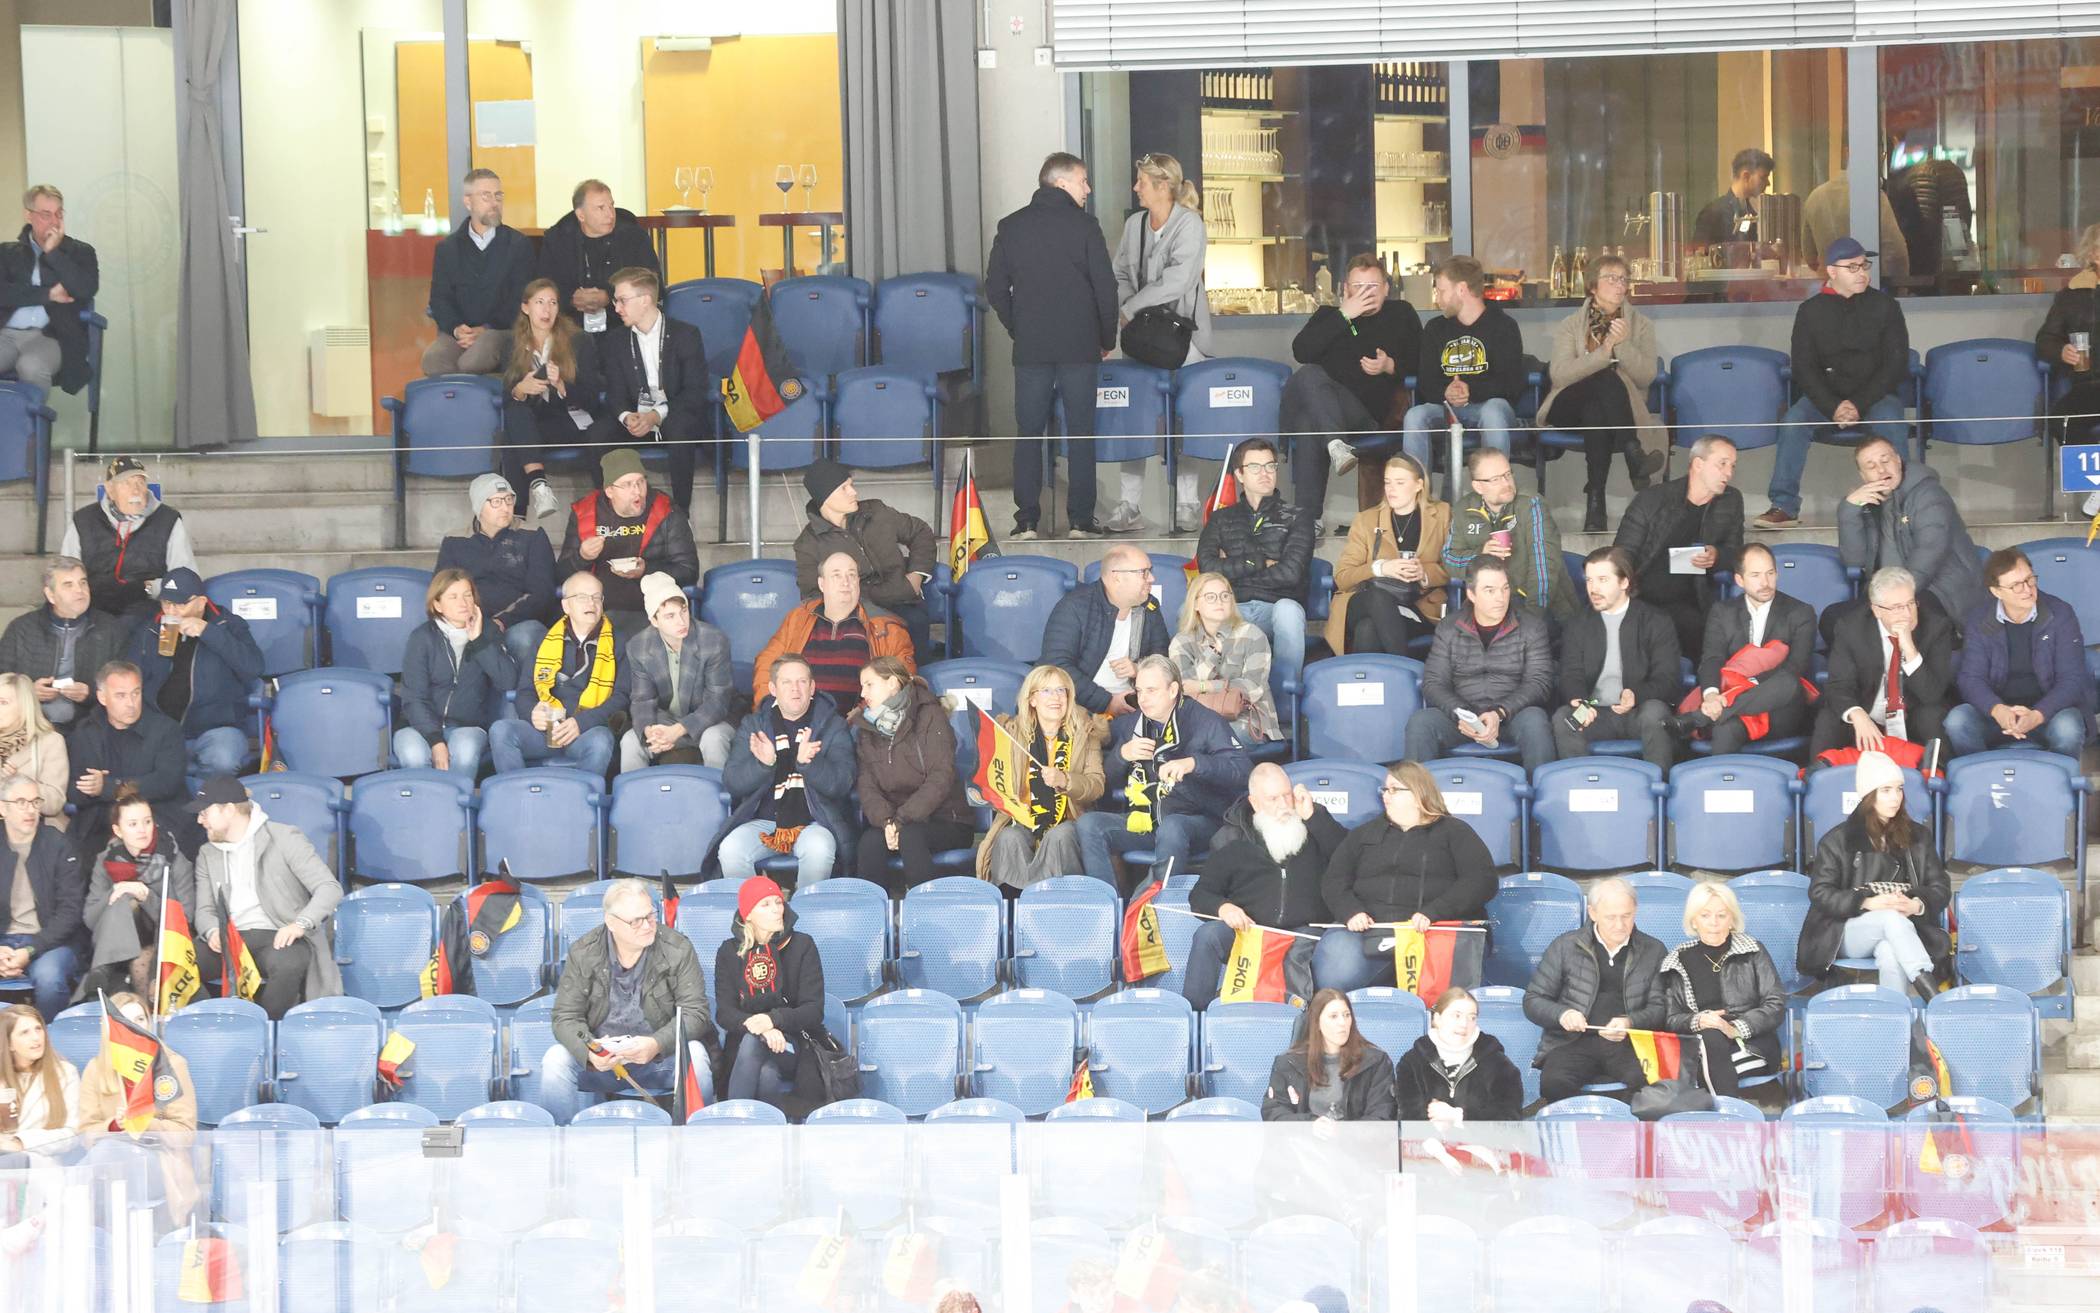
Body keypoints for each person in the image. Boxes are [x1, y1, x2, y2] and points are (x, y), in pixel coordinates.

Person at [985, 152, 1119, 540]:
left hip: (1032, 348)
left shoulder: (1011, 226)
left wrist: (1019, 327)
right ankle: (1080, 520)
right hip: (1080, 346)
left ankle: (1027, 520)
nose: (1088, 189)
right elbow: (1105, 289)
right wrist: (1105, 338)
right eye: (1082, 180)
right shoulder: (1086, 226)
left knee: (1029, 432)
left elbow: (995, 288)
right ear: (1061, 183)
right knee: (1080, 432)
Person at [1757, 238, 1911, 528]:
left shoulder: (1886, 306)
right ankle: (1784, 505)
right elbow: (1803, 368)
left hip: (1875, 396)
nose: (1862, 273)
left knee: (1892, 421)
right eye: (1852, 267)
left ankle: (1901, 504)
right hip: (1825, 399)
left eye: (1864, 265)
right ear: (1831, 271)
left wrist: (1858, 404)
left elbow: (1895, 363)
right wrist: (1833, 406)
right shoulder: (1810, 311)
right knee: (1793, 423)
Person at [1314, 760, 1496, 994]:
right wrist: (1350, 911)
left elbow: (1481, 880)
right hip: (1370, 931)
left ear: (1418, 794)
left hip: (1433, 931)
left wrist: (1435, 912)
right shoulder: (1364, 834)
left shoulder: (1455, 831)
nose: (1385, 795)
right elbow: (1334, 880)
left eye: (1394, 789)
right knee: (1337, 971)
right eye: (1385, 789)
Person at [1077, 655, 1251, 895]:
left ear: (1173, 690)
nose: (1143, 699)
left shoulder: (1205, 721)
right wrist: (1121, 756)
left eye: (1151, 690)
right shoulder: (1132, 724)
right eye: (1139, 691)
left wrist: (1194, 763)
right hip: (1148, 820)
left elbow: (1243, 771)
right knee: (1089, 824)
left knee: (1172, 826)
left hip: (1199, 820)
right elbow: (1102, 784)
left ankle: (1153, 904)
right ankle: (1106, 905)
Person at [542, 876, 709, 1124]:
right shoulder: (584, 952)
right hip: (603, 1059)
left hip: (658, 1057)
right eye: (636, 921)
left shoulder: (677, 948)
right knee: (555, 1059)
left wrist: (656, 1044)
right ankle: (560, 1138)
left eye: (650, 915)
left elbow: (696, 1013)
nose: (648, 925)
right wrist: (589, 1051)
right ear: (611, 922)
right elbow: (565, 1017)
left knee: (696, 1054)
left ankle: (697, 1134)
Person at [1110, 151, 1213, 530]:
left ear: (1163, 186)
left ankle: (1187, 503)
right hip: (1141, 336)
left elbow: (1179, 280)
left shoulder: (1190, 224)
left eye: (1142, 182)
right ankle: (1129, 505)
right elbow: (1120, 272)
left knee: (1185, 417)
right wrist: (1129, 307)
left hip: (1183, 336)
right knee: (1134, 417)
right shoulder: (1134, 224)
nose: (1136, 187)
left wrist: (1131, 307)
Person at [1184, 764, 1343, 1010]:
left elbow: (1349, 859)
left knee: (1304, 955)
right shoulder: (1232, 837)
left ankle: (1295, 1019)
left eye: (1287, 795)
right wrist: (1223, 907)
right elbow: (1201, 894)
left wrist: (1314, 818)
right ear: (1255, 803)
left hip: (1306, 932)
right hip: (1249, 931)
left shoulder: (1315, 821)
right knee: (1207, 936)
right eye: (1273, 799)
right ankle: (1195, 1015)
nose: (1284, 805)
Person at [188, 775, 342, 1019]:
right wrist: (212, 931)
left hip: (278, 934)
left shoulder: (284, 837)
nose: (199, 820)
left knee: (289, 963)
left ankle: (265, 1025)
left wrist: (300, 924)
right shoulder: (207, 853)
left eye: (205, 813)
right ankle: (215, 1023)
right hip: (230, 938)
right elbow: (204, 910)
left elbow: (329, 887)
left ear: (229, 810)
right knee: (177, 963)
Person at [1801, 750, 1949, 998]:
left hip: (1904, 931)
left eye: (1899, 789)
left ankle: (1896, 1019)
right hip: (1844, 931)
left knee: (1890, 954)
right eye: (1886, 790)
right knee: (1890, 919)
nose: (1895, 798)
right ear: (1869, 795)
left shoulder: (1918, 836)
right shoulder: (1838, 839)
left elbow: (1940, 887)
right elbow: (1820, 893)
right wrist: (1867, 902)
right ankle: (1934, 997)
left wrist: (1916, 905)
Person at [1535, 253, 1668, 531]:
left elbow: (1646, 376)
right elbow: (1560, 374)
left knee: (1596, 412)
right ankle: (1634, 455)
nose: (1620, 285)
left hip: (1614, 411)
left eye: (1623, 279)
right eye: (1611, 279)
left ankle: (1595, 505)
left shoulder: (1641, 325)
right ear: (1593, 286)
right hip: (1568, 403)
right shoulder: (1571, 324)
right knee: (1603, 377)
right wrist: (1605, 352)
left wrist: (1622, 345)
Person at [1288, 254, 1422, 528]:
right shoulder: (1328, 316)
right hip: (1329, 411)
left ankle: (1307, 520)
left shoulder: (1401, 314)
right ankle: (1310, 519)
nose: (1366, 293)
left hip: (1369, 416)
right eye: (1358, 287)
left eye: (1373, 286)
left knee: (1309, 418)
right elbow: (1301, 351)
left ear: (1386, 288)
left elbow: (1424, 363)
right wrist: (1344, 315)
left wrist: (1390, 365)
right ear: (1346, 289)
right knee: (1308, 383)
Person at [1523, 878, 1669, 1105]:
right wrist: (1562, 1014)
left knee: (1654, 1084)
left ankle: (1623, 1123)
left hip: (1630, 1043)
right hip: (1571, 1042)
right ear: (1592, 913)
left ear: (1635, 910)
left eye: (1627, 916)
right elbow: (1533, 1000)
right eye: (1611, 917)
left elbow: (1660, 1008)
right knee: (1554, 1082)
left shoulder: (1654, 950)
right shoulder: (1565, 946)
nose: (1620, 925)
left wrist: (1630, 1022)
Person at [1404, 558, 1556, 773]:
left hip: (1511, 716)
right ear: (1471, 594)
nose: (1500, 598)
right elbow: (1434, 682)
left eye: (1505, 589)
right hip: (1462, 718)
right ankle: (1417, 792)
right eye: (1490, 590)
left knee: (1535, 720)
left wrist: (1499, 712)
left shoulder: (1531, 627)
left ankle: (1539, 791)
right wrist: (1462, 714)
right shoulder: (1449, 627)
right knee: (1421, 722)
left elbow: (1539, 683)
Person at [716, 657, 856, 885]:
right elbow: (733, 782)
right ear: (773, 689)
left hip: (814, 822)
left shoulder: (833, 725)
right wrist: (763, 764)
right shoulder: (754, 725)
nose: (795, 689)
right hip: (764, 822)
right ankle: (759, 907)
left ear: (812, 687)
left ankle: (804, 908)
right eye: (787, 682)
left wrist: (810, 764)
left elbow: (842, 783)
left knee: (819, 848)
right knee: (731, 849)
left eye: (802, 682)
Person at [1191, 440, 1313, 699]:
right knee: (1190, 609)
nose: (1265, 473)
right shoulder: (1221, 518)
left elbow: (1291, 574)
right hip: (1233, 607)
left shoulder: (1297, 516)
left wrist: (1232, 569)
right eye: (1255, 467)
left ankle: (1284, 700)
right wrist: (1258, 562)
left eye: (1270, 466)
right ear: (1239, 474)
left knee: (1289, 611)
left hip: (1276, 606)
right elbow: (1208, 569)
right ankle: (1205, 698)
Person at [1673, 542, 1818, 756]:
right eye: (1755, 575)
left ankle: (1702, 717)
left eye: (1770, 573)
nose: (1765, 582)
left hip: (1777, 708)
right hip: (1730, 709)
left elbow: (1796, 666)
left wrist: (1744, 688)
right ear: (1739, 580)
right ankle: (1721, 778)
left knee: (1789, 681)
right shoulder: (1722, 612)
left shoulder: (1800, 612)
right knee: (1726, 728)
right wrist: (1711, 696)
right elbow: (1712, 658)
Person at [1947, 548, 2091, 760]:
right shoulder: (1979, 619)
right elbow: (1971, 678)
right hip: (1999, 716)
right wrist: (1997, 709)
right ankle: (1982, 775)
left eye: (2030, 580)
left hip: (2049, 713)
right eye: (2016, 585)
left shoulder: (2060, 613)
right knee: (1958, 721)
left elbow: (2072, 679)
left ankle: (2061, 779)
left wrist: (2038, 714)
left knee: (2068, 728)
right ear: (1996, 592)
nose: (2027, 590)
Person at [1612, 434, 1744, 663]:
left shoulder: (1731, 500)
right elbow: (1623, 553)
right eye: (1722, 464)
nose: (1728, 473)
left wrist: (1717, 556)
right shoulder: (1652, 499)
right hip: (1642, 595)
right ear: (1698, 464)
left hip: (1692, 599)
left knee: (1708, 633)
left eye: (1732, 466)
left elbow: (1736, 553)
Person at [850, 658, 976, 893]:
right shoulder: (866, 729)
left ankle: (925, 911)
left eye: (869, 684)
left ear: (892, 683)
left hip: (947, 820)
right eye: (862, 686)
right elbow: (867, 786)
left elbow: (941, 776)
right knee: (869, 842)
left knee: (910, 836)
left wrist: (900, 820)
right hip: (895, 821)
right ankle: (874, 913)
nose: (863, 693)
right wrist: (887, 822)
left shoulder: (929, 714)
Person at [976, 664, 1106, 891]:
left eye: (1061, 690)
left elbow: (1096, 786)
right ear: (1032, 699)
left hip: (1070, 819)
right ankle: (1013, 904)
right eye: (1046, 691)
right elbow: (997, 781)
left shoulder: (1086, 733)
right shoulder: (1011, 733)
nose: (1056, 697)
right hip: (1023, 819)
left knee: (1060, 836)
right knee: (1009, 837)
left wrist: (1066, 780)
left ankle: (1056, 901)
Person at [589, 266, 709, 512]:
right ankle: (606, 512)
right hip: (636, 416)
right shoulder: (615, 341)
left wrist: (656, 415)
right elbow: (615, 393)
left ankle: (680, 513)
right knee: (597, 434)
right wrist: (626, 416)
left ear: (644, 300)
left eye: (622, 300)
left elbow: (695, 390)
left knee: (680, 428)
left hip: (673, 413)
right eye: (615, 301)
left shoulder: (685, 334)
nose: (616, 308)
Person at [126, 568, 263, 785]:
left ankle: (203, 798)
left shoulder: (227, 625)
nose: (172, 611)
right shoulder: (150, 630)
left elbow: (253, 667)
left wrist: (208, 632)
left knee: (223, 758)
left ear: (201, 602)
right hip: (162, 729)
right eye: (166, 603)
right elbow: (128, 675)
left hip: (215, 729)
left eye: (180, 604)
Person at [1552, 547, 1682, 772]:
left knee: (1655, 713)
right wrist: (1579, 700)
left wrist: (1636, 695)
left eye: (1602, 580)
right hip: (1594, 712)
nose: (1593, 588)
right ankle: (1581, 785)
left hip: (1638, 712)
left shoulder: (1655, 621)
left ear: (1624, 582)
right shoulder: (1578, 623)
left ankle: (1658, 786)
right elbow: (1570, 674)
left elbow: (1668, 679)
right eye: (1589, 580)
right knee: (1564, 717)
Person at [71, 991, 198, 1218]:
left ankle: (63, 1213)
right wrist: (114, 1126)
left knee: (108, 1153)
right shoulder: (96, 1069)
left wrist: (145, 1123)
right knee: (109, 1151)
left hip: (161, 1163)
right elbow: (85, 1134)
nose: (135, 1026)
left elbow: (186, 1134)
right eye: (125, 1020)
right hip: (108, 1168)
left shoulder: (172, 1065)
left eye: (140, 1019)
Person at [1835, 435, 1983, 629]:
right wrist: (1849, 509)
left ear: (1898, 461)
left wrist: (1897, 599)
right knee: (1835, 620)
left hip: (1939, 589)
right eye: (1871, 466)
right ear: (1863, 476)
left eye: (1885, 461)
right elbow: (1855, 560)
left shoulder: (1928, 494)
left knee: (1895, 623)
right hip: (1886, 592)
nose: (1881, 470)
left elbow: (1929, 552)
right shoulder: (1867, 503)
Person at [793, 460, 936, 659]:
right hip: (856, 617)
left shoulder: (876, 512)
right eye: (844, 488)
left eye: (851, 485)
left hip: (904, 604)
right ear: (825, 497)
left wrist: (916, 576)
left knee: (914, 627)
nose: (854, 492)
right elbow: (813, 595)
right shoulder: (808, 543)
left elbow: (920, 531)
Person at [556, 447, 700, 644]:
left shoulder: (666, 510)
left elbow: (689, 570)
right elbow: (562, 574)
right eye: (627, 485)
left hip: (651, 612)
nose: (637, 491)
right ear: (609, 491)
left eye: (641, 482)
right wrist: (582, 556)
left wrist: (646, 570)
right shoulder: (585, 512)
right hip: (598, 611)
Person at [489, 571, 626, 778]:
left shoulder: (617, 642)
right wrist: (532, 713)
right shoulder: (544, 640)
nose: (591, 603)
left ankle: (584, 797)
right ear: (566, 606)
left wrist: (581, 723)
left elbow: (622, 696)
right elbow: (525, 691)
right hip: (546, 730)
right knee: (501, 730)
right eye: (582, 597)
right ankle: (518, 793)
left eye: (596, 597)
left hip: (586, 731)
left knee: (601, 739)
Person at [1402, 256, 1524, 485]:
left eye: (1441, 291)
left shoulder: (1503, 326)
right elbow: (1426, 381)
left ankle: (1494, 493)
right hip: (1445, 407)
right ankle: (1418, 498)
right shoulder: (1435, 328)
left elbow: (1512, 383)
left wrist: (1471, 390)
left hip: (1489, 406)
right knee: (1415, 415)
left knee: (1493, 412)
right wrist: (1446, 392)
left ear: (1461, 289)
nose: (1437, 298)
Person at [1812, 566, 1955, 761]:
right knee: (1829, 719)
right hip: (1867, 710)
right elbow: (1839, 685)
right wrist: (1857, 714)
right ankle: (1817, 774)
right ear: (1877, 610)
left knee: (1932, 718)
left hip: (1912, 713)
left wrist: (1910, 650)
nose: (1907, 614)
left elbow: (1932, 695)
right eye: (1897, 607)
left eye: (1911, 603)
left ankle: (1936, 774)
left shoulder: (1936, 627)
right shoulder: (1851, 628)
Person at [713, 876, 829, 1115]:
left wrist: (773, 1020)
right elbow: (725, 1012)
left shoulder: (802, 945)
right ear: (748, 915)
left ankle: (732, 1121)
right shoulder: (729, 951)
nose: (777, 909)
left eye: (778, 902)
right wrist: (762, 1028)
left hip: (792, 1045)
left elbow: (813, 1010)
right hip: (745, 1047)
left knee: (752, 1042)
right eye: (765, 905)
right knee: (766, 1075)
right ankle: (772, 1131)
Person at [1660, 882, 1784, 1097]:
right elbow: (1671, 1019)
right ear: (1694, 920)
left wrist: (1735, 1028)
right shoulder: (1677, 959)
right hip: (1703, 1043)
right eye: (1705, 915)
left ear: (1732, 919)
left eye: (1721, 915)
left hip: (1751, 1043)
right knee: (1709, 1036)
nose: (1714, 923)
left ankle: (1717, 1109)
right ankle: (1728, 1109)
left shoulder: (1753, 950)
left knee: (1702, 1061)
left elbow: (1776, 1003)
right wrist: (1698, 1020)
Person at [752, 552, 916, 706]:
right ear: (822, 584)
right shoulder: (798, 619)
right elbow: (767, 665)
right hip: (800, 719)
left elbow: (901, 683)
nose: (845, 582)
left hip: (859, 722)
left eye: (851, 575)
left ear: (858, 582)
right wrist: (770, 708)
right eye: (836, 575)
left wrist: (863, 716)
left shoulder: (887, 628)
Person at [395, 568, 516, 778]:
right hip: (419, 727)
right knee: (414, 754)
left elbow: (508, 680)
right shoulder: (422, 638)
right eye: (453, 597)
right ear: (437, 605)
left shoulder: (488, 632)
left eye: (467, 595)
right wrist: (436, 740)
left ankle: (457, 799)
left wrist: (478, 640)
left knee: (465, 752)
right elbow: (414, 698)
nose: (463, 603)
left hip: (468, 727)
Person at [500, 278, 603, 519]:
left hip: (571, 420)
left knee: (512, 438)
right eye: (540, 302)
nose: (547, 310)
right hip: (536, 424)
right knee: (515, 414)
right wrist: (521, 389)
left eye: (553, 303)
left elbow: (592, 399)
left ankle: (517, 516)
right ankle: (540, 487)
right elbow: (508, 397)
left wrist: (562, 385)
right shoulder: (512, 344)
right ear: (526, 307)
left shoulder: (579, 341)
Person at [1326, 454, 1448, 657]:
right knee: (1378, 598)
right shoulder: (1366, 520)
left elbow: (1452, 567)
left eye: (1400, 482)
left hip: (1416, 606)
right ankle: (1405, 667)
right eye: (1387, 482)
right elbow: (1343, 577)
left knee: (1368, 630)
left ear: (1419, 485)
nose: (1391, 489)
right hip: (1366, 600)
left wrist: (1424, 573)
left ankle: (1367, 678)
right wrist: (1380, 568)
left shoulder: (1441, 514)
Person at [80, 787, 193, 1002]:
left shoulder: (174, 858)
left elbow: (185, 919)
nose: (142, 830)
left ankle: (102, 968)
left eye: (147, 822)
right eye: (133, 824)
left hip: (162, 940)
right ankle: (105, 971)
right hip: (116, 942)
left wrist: (146, 895)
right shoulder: (106, 860)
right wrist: (116, 890)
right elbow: (90, 918)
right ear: (118, 830)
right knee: (123, 897)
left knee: (140, 957)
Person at [435, 473, 559, 668]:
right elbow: (443, 589)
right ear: (479, 506)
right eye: (496, 502)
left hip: (519, 622)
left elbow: (542, 592)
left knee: (527, 637)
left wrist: (502, 621)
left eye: (509, 500)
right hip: (469, 621)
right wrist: (471, 621)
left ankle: (528, 688)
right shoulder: (455, 540)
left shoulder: (532, 535)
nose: (505, 508)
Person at [422, 168, 534, 376]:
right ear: (468, 202)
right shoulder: (448, 248)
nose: (494, 203)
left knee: (474, 359)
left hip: (500, 330)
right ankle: (457, 395)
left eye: (498, 196)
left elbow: (520, 299)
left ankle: (470, 395)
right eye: (486, 196)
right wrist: (457, 328)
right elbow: (439, 299)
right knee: (433, 360)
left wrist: (486, 328)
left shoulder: (518, 245)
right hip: (460, 333)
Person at [1441, 448, 1573, 624]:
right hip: (1489, 605)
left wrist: (1531, 620)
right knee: (1451, 630)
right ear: (1478, 486)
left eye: (1508, 474)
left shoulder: (1530, 504)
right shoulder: (1463, 509)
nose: (1506, 483)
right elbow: (1449, 559)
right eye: (1496, 479)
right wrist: (1480, 555)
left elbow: (1543, 570)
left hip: (1534, 604)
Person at [0, 556, 126, 738]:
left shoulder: (110, 628)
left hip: (89, 728)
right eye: (68, 585)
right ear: (50, 595)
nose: (80, 591)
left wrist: (91, 693)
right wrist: (28, 691)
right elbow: (3, 679)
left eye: (83, 583)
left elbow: (124, 681)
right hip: (28, 727)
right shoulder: (22, 629)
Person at [621, 572, 734, 773]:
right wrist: (649, 731)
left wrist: (678, 730)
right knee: (631, 741)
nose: (681, 621)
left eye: (683, 611)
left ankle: (718, 793)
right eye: (670, 616)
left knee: (714, 739)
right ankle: (634, 793)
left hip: (711, 720)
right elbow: (642, 699)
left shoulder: (713, 640)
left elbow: (717, 702)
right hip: (667, 720)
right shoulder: (638, 646)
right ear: (654, 621)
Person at [1041, 544, 1171, 717]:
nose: (1152, 578)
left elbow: (1161, 659)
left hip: (1135, 705)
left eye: (1150, 571)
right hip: (1079, 709)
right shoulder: (1074, 607)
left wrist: (1139, 669)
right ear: (1117, 577)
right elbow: (1057, 666)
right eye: (1143, 572)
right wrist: (1107, 702)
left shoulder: (1149, 606)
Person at [62, 456, 199, 620]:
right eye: (126, 483)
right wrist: (87, 590)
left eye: (140, 482)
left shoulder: (168, 520)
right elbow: (65, 574)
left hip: (148, 608)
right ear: (110, 489)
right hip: (93, 607)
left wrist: (147, 588)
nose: (135, 491)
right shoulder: (84, 520)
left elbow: (186, 579)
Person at [66, 661, 186, 844]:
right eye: (120, 696)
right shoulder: (85, 733)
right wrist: (92, 789)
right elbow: (73, 790)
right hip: (101, 825)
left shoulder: (166, 730)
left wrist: (111, 788)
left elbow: (167, 782)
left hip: (156, 819)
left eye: (135, 693)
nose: (131, 703)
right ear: (102, 697)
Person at [0, 774, 85, 1018]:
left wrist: (30, 950)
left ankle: (47, 1037)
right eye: (21, 803)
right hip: (3, 941)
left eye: (35, 802)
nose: (30, 810)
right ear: (3, 808)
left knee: (49, 979)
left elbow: (70, 911)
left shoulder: (59, 844)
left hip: (50, 941)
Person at [535, 179, 661, 340]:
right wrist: (571, 299)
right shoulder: (558, 240)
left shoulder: (634, 237)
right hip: (571, 328)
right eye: (601, 208)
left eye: (611, 206)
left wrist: (610, 296)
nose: (610, 214)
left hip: (624, 326)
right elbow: (543, 286)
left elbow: (653, 284)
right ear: (581, 215)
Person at [0, 184, 96, 395]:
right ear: (29, 216)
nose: (54, 221)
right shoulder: (6, 253)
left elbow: (86, 288)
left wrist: (53, 253)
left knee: (30, 366)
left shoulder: (81, 252)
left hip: (52, 336)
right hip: (5, 334)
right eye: (46, 215)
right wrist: (48, 294)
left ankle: (33, 418)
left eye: (58, 214)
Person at [1169, 573, 1282, 746]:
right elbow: (1183, 688)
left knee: (1216, 737)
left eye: (1224, 596)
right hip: (1199, 717)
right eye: (1210, 597)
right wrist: (1212, 654)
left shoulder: (1252, 635)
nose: (1219, 602)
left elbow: (1253, 687)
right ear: (1196, 604)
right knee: (1180, 738)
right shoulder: (1181, 642)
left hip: (1248, 718)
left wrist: (1205, 686)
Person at [1259, 988, 1397, 1121]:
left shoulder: (1375, 1062)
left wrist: (1344, 1132)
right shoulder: (1289, 1063)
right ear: (1317, 1022)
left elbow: (1382, 1115)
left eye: (1346, 1015)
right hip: (1304, 1137)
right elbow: (1273, 1113)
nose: (1342, 1023)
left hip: (1356, 1137)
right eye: (1333, 1016)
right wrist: (1311, 1125)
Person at [1394, 987, 1525, 1124]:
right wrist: (1435, 1134)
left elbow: (1509, 1121)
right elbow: (1410, 1121)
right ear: (1437, 1019)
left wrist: (1459, 1116)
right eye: (1457, 1015)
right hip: (1428, 1138)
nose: (1464, 1024)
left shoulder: (1498, 1064)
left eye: (1472, 1017)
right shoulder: (1411, 1063)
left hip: (1482, 1138)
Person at [2036, 222, 2100, 447]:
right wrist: (2061, 351)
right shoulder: (2071, 296)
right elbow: (2045, 340)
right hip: (2090, 386)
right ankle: (2087, 468)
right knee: (2061, 421)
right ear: (2093, 255)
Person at [0, 1006, 78, 1153]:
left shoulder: (66, 1073)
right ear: (9, 1044)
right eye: (25, 1032)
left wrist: (22, 1142)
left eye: (38, 1029)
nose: (36, 1037)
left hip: (41, 1161)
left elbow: (73, 1133)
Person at [0, 672, 66, 828]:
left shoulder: (50, 742)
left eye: (3, 702)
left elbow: (54, 802)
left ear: (25, 706)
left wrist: (17, 782)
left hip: (33, 830)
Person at [1691, 148, 1775, 249]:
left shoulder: (1753, 215)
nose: (1768, 183)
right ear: (1746, 176)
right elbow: (1698, 254)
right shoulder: (1712, 213)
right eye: (1763, 177)